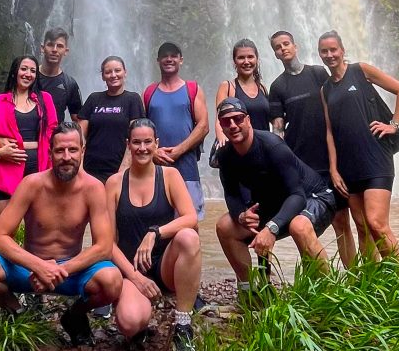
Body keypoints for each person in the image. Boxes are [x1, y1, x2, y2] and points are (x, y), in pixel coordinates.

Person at [0, 122, 122, 345]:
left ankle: (74, 316)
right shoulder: (32, 184)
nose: (66, 157)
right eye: (60, 150)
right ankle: (16, 311)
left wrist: (59, 270)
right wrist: (39, 267)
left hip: (70, 271)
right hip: (29, 271)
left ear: (83, 151)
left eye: (73, 150)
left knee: (112, 281)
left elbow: (104, 247)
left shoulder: (94, 188)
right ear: (50, 153)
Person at [214, 96, 341, 285]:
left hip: (313, 197)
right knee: (225, 226)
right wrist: (241, 215)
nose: (233, 125)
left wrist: (272, 227)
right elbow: (232, 194)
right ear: (221, 126)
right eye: (226, 122)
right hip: (275, 202)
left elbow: (297, 195)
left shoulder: (272, 146)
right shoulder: (225, 155)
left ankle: (328, 289)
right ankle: (251, 290)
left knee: (298, 226)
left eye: (238, 119)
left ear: (248, 120)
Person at [108, 118, 202, 351]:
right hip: (131, 270)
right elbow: (107, 242)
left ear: (156, 143)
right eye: (136, 142)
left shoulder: (169, 176)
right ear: (128, 145)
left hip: (164, 266)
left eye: (148, 142)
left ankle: (183, 325)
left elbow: (191, 217)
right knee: (130, 324)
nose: (142, 148)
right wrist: (135, 277)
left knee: (189, 237)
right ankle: (139, 313)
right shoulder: (114, 183)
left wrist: (155, 232)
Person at [318, 30, 399, 261]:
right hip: (349, 166)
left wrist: (393, 125)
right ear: (319, 55)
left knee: (376, 223)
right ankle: (373, 278)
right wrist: (333, 169)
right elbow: (329, 131)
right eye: (324, 51)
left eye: (333, 50)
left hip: (376, 158)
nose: (330, 55)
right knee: (362, 227)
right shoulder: (325, 89)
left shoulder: (361, 70)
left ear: (342, 50)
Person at [268, 29, 357, 267]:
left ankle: (354, 277)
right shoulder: (277, 86)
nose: (283, 49)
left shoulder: (318, 73)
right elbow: (278, 129)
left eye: (286, 44)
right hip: (303, 166)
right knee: (303, 224)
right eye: (278, 47)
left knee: (342, 222)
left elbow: (335, 103)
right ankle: (314, 277)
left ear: (295, 46)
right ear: (275, 54)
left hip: (331, 160)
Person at [0, 56, 58, 248]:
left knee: (37, 229)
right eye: (24, 69)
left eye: (32, 71)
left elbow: (53, 131)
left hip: (38, 171)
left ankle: (34, 266)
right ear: (15, 71)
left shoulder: (45, 100)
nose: (28, 74)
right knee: (3, 231)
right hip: (3, 172)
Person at [143, 42, 209, 218]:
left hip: (187, 168)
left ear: (181, 60)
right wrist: (153, 152)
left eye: (173, 55)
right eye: (164, 56)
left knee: (190, 221)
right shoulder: (149, 92)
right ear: (158, 60)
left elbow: (203, 126)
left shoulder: (193, 89)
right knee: (156, 222)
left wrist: (179, 150)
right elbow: (141, 129)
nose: (169, 59)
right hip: (156, 168)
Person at [79, 57, 146, 184]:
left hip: (120, 169)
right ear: (103, 76)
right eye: (108, 72)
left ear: (125, 72)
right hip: (90, 170)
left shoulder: (133, 99)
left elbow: (136, 137)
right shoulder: (94, 99)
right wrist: (80, 167)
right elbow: (79, 136)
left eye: (117, 70)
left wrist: (124, 168)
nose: (113, 75)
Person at [213, 38, 272, 149]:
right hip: (239, 150)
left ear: (257, 59)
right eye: (241, 58)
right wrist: (223, 144)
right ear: (234, 61)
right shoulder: (227, 87)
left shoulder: (262, 88)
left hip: (264, 149)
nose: (246, 61)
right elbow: (219, 121)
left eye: (250, 57)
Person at [36, 28, 83, 125]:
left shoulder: (70, 84)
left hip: (55, 133)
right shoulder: (29, 77)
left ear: (66, 51)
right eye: (50, 45)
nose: (54, 50)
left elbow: (78, 120)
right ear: (42, 48)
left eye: (60, 46)